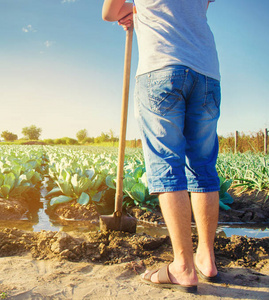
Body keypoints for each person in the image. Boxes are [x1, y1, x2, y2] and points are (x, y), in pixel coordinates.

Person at [102, 0, 221, 294]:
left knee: (167, 164)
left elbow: (110, 12)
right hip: (206, 71)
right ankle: (206, 259)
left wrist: (133, 9)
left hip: (161, 66)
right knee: (203, 165)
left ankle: (183, 266)